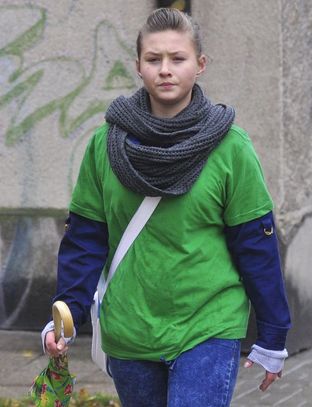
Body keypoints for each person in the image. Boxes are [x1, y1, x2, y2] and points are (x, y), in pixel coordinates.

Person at [41, 8, 291, 407]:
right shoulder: (106, 145)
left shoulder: (231, 146)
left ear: (200, 64)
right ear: (138, 67)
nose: (165, 70)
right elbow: (86, 238)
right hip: (130, 329)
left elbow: (255, 243)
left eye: (178, 58)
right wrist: (67, 315)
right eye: (153, 59)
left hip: (208, 325)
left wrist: (274, 333)